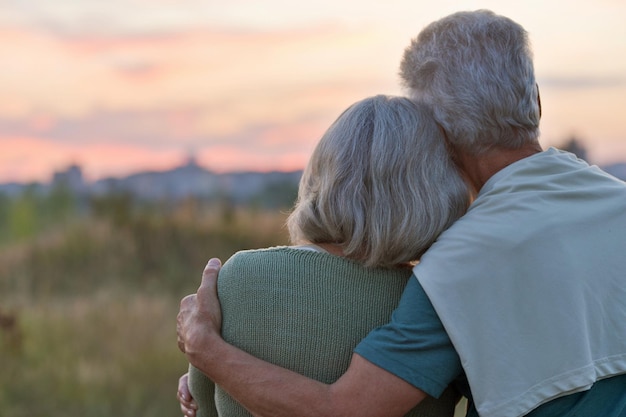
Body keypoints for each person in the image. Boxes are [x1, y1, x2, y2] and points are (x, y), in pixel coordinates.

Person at [177, 9, 626, 417]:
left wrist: (207, 351)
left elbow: (344, 411)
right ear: (537, 103)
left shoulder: (456, 266)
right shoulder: (617, 203)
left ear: (440, 136)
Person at [182, 95, 469, 417]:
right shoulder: (435, 301)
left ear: (321, 175)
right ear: (435, 191)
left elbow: (203, 405)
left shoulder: (240, 276)